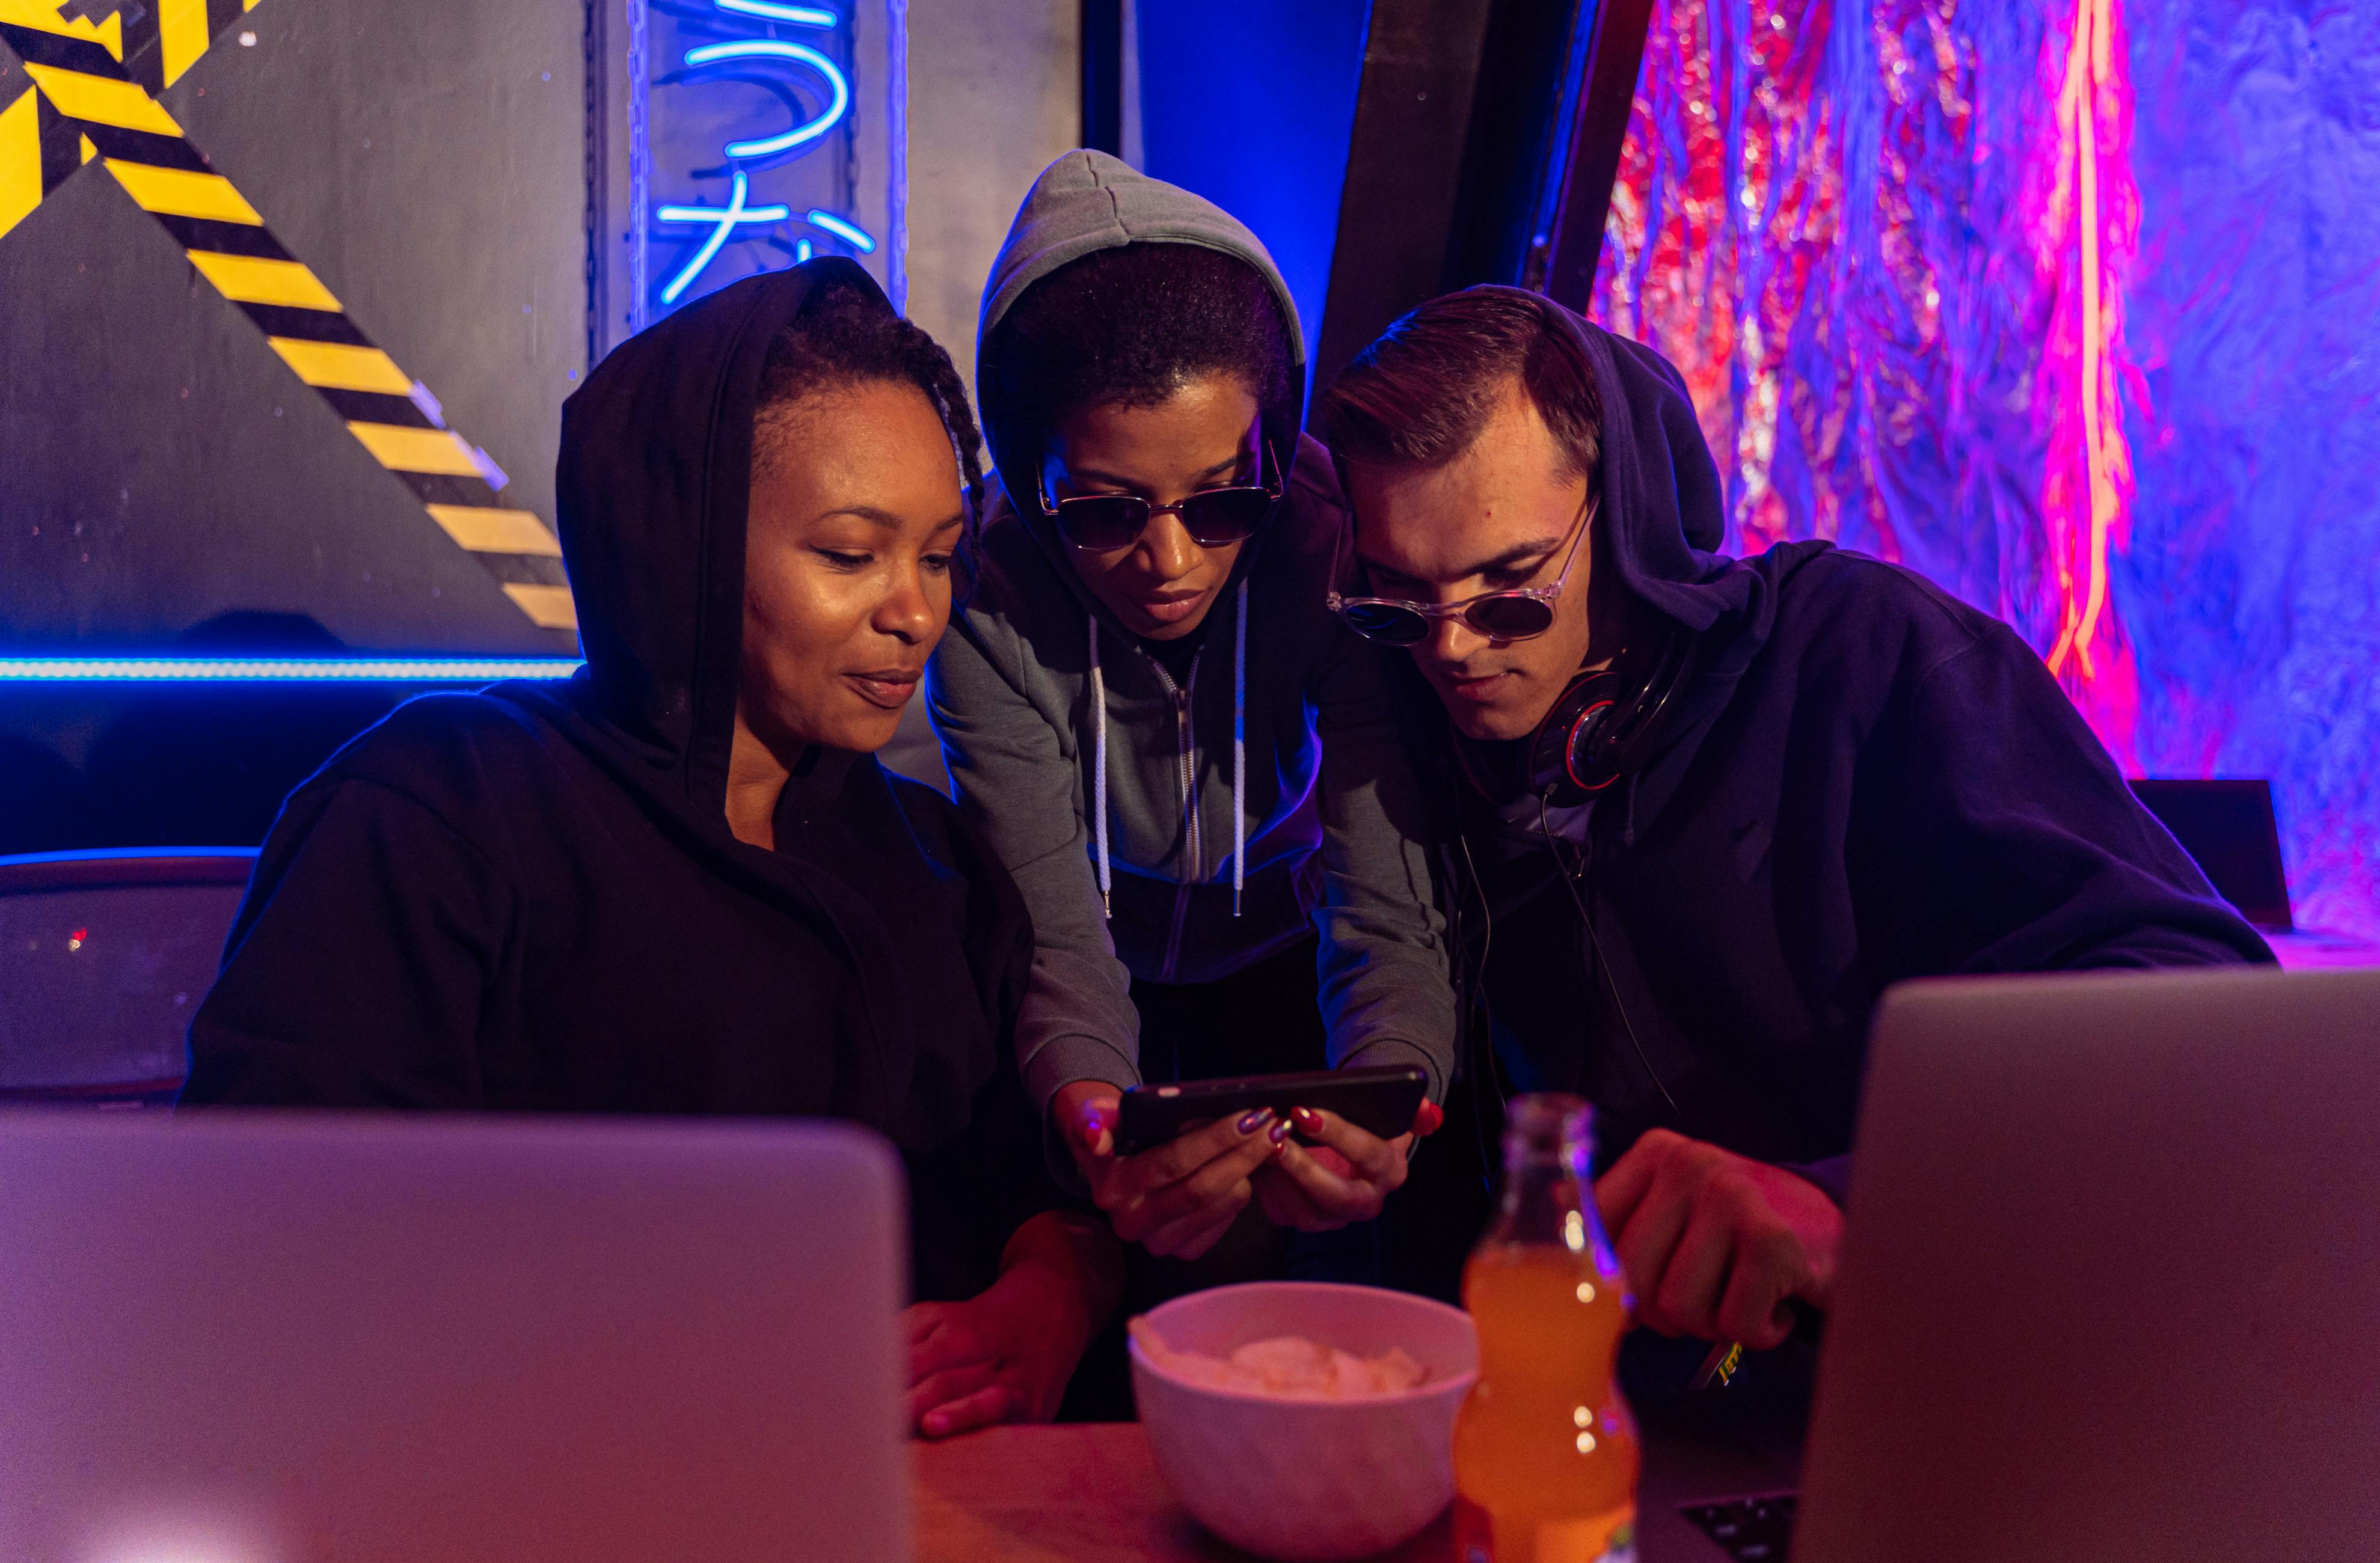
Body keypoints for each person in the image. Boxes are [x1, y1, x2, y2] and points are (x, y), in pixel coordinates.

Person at [181, 260, 1121, 1440]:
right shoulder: (442, 807)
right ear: (686, 548)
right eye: (850, 554)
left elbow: (1037, 1189)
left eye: (936, 557)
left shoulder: (934, 862)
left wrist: (1052, 1299)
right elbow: (267, 1236)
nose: (915, 612)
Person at [1320, 286, 2271, 1378]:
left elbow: (2189, 998)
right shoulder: (1411, 728)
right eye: (1403, 601)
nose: (1452, 652)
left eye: (1512, 592)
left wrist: (1845, 1199)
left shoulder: (1867, 659)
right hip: (1620, 1407)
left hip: (1927, 1370)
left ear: (1632, 514)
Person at [928, 152, 1456, 1280]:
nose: (1171, 562)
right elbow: (1055, 931)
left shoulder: (1333, 546)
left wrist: (1398, 1085)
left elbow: (1387, 908)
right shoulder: (983, 594)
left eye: (1223, 500)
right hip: (1085, 980)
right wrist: (1087, 1115)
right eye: (1107, 511)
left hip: (1291, 969)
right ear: (1031, 478)